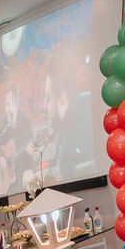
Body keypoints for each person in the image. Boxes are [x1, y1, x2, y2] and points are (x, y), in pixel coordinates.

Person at [43, 50, 92, 183]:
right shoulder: (83, 108)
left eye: (49, 99)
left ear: (62, 99)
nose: (45, 106)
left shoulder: (82, 119)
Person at [0, 83, 34, 196]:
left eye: (9, 104)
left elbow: (33, 152)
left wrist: (32, 151)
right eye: (6, 105)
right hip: (9, 182)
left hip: (23, 176)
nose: (7, 109)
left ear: (17, 104)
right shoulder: (4, 126)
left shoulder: (25, 122)